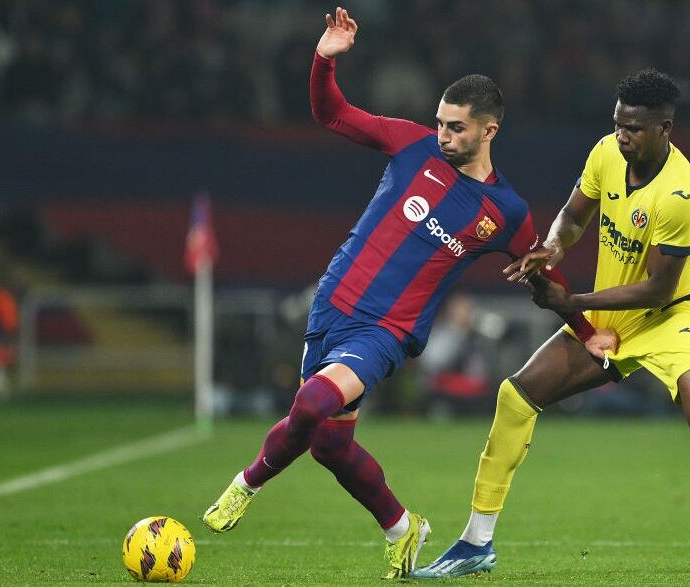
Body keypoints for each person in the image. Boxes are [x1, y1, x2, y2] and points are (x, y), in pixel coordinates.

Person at [201, 7, 610, 580]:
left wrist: (590, 332)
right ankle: (402, 527)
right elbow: (331, 113)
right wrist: (324, 59)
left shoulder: (505, 212)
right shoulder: (410, 144)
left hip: (386, 331)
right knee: (329, 447)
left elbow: (546, 279)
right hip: (332, 304)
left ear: (489, 130)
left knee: (313, 405)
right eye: (440, 123)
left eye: (456, 127)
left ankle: (245, 485)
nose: (443, 135)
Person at [414, 69, 690, 581]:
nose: (622, 136)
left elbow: (657, 290)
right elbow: (573, 216)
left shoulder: (682, 195)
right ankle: (476, 543)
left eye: (635, 129)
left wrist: (570, 299)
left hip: (677, 317)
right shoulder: (606, 153)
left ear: (665, 128)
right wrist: (552, 248)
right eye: (618, 125)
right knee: (516, 397)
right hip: (613, 315)